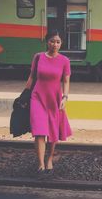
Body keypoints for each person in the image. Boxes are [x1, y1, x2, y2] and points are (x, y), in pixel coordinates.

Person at [25, 29, 72, 175]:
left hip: (55, 99)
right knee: (39, 131)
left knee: (53, 131)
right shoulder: (38, 57)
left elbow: (66, 81)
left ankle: (50, 159)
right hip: (37, 97)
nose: (55, 44)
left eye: (58, 42)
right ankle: (40, 164)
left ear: (61, 43)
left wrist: (65, 97)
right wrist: (24, 94)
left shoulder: (65, 61)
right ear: (47, 42)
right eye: (52, 41)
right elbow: (32, 77)